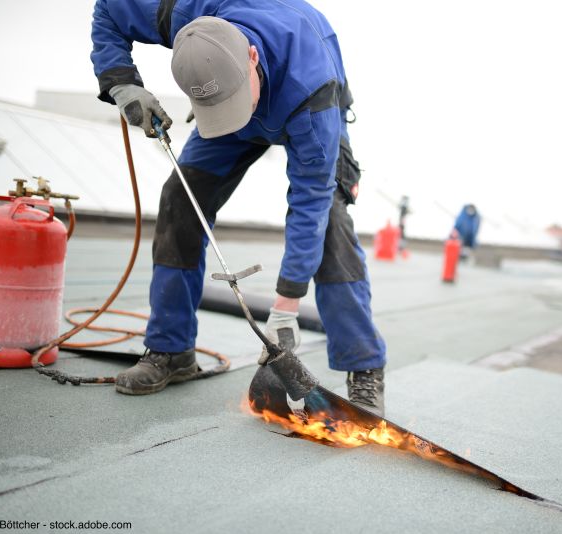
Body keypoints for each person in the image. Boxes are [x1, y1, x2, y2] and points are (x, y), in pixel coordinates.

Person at [90, 0, 387, 415]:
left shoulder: (313, 90)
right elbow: (107, 11)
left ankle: (364, 368)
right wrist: (120, 81)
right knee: (180, 199)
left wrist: (286, 304)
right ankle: (171, 350)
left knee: (330, 223)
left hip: (302, 102)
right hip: (236, 98)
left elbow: (309, 203)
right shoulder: (183, 14)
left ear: (251, 58)